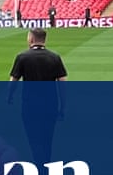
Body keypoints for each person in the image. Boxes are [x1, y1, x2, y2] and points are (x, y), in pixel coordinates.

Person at [7, 28, 68, 166]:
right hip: (50, 105)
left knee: (33, 139)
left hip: (30, 106)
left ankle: (39, 165)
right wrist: (63, 107)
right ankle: (45, 165)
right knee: (47, 139)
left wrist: (9, 96)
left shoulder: (22, 57)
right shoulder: (55, 57)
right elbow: (63, 84)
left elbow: (13, 81)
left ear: (31, 39)